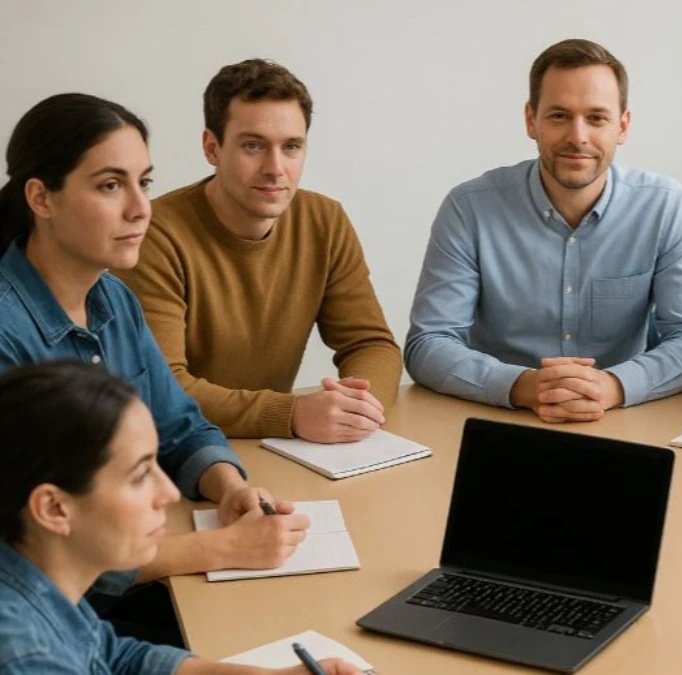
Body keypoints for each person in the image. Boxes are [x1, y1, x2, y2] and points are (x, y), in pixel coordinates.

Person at [0, 93, 309, 625]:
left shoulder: (115, 299)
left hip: (138, 584)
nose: (141, 208)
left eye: (143, 182)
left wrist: (229, 487)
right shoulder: (7, 332)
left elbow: (180, 425)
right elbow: (33, 551)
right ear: (41, 198)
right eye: (109, 185)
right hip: (61, 621)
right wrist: (222, 549)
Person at [404, 39, 682, 423]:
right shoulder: (469, 208)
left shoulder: (664, 206)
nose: (577, 136)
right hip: (499, 422)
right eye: (558, 116)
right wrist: (525, 386)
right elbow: (428, 344)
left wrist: (612, 386)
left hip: (624, 422)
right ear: (530, 120)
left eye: (596, 117)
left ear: (622, 126)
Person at [0, 361, 360, 674]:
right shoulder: (25, 655)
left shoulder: (39, 584)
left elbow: (116, 659)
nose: (169, 494)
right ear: (53, 508)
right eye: (140, 476)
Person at [116, 59, 402, 443]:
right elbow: (161, 388)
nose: (275, 168)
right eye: (253, 146)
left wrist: (359, 408)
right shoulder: (154, 234)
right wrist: (291, 413)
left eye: (291, 147)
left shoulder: (325, 220)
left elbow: (371, 344)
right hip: (176, 450)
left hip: (275, 447)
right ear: (212, 148)